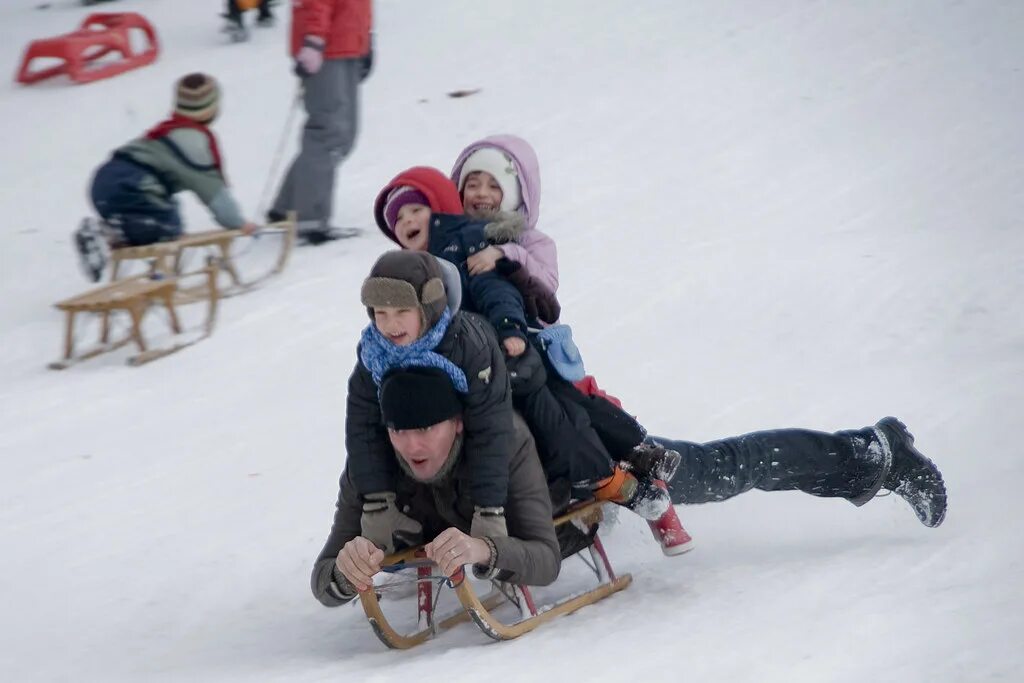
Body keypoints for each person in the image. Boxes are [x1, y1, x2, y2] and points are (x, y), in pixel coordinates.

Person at [372, 168, 676, 520]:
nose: (407, 221)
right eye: (398, 219)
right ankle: (622, 462)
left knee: (558, 413)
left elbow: (496, 291)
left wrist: (510, 330)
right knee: (560, 408)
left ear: (439, 209)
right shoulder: (407, 270)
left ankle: (619, 475)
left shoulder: (466, 244)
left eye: (415, 210)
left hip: (507, 353)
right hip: (470, 370)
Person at [313, 367, 562, 604]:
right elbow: (322, 581)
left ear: (458, 422)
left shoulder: (507, 442)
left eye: (425, 428)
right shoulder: (371, 465)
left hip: (539, 499)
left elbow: (547, 560)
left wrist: (484, 549)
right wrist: (346, 571)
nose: (412, 447)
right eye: (398, 430)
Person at [347, 250, 515, 552]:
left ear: (427, 305)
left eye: (401, 312)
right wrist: (376, 504)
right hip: (424, 454)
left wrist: (489, 510)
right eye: (380, 313)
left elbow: (490, 425)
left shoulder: (467, 345)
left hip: (472, 439)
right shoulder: (373, 354)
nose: (390, 325)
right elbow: (363, 427)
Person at [74, 73, 257, 282]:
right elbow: (213, 193)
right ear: (211, 109)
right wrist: (239, 223)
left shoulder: (168, 130)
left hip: (104, 180)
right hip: (135, 184)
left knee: (154, 217)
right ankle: (106, 234)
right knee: (168, 227)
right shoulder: (194, 144)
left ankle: (115, 234)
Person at [266, 0, 373, 245]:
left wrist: (366, 42)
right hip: (326, 48)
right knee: (328, 132)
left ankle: (288, 206)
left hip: (347, 45)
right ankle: (309, 217)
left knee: (344, 134)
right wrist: (314, 40)